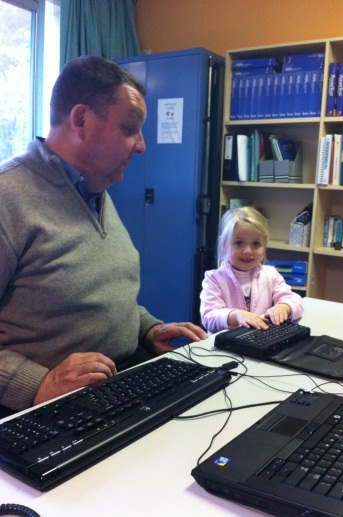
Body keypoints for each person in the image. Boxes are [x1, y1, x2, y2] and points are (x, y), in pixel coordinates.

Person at [0, 56, 207, 416]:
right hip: (43, 408)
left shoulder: (95, 192)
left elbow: (100, 291)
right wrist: (34, 383)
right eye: (130, 128)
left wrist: (145, 328)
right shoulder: (8, 198)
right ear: (81, 120)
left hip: (120, 382)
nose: (142, 146)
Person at [200, 206, 303, 334]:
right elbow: (208, 317)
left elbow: (295, 300)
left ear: (265, 245)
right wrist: (235, 316)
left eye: (256, 244)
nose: (248, 251)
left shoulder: (271, 275)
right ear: (223, 244)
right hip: (225, 346)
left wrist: (283, 307)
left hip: (259, 341)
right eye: (239, 243)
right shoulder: (214, 279)